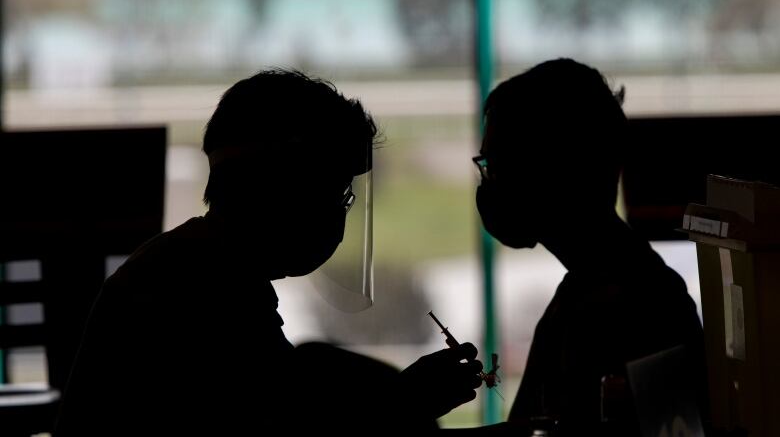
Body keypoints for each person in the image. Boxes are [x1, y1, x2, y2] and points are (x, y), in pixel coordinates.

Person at [55, 69, 483, 435]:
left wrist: (401, 399)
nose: (340, 212)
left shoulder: (196, 266)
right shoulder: (205, 290)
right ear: (281, 186)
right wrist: (404, 402)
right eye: (334, 191)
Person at [473, 58, 707, 435]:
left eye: (496, 165)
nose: (488, 183)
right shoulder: (596, 291)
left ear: (551, 170)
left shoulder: (640, 305)